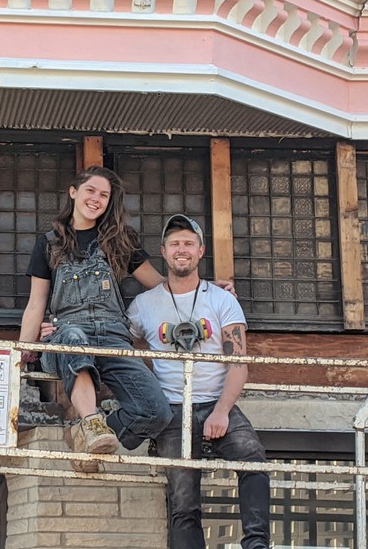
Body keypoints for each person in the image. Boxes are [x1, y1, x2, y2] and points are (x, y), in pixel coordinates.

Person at [127, 214, 270, 549]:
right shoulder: (143, 305)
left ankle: (256, 544)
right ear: (163, 251)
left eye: (189, 243)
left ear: (201, 251)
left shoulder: (222, 299)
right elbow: (118, 346)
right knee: (182, 497)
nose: (182, 249)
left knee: (253, 458)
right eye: (175, 243)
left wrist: (222, 411)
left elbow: (238, 362)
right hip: (172, 409)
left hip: (214, 402)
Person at [19, 166, 174, 472]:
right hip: (66, 333)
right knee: (74, 338)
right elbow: (36, 302)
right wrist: (24, 349)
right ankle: (90, 421)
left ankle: (84, 434)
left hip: (113, 338)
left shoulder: (120, 240)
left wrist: (205, 289)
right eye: (91, 191)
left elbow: (159, 285)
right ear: (73, 192)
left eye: (104, 195)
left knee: (156, 412)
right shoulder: (49, 243)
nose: (97, 199)